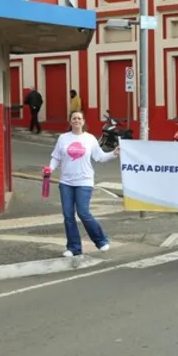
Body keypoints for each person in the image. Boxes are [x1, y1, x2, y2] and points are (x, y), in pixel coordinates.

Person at [48, 110, 119, 257]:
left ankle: (101, 240)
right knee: (68, 215)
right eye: (74, 118)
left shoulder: (90, 139)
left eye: (79, 118)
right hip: (66, 182)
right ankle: (74, 248)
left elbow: (100, 157)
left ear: (83, 121)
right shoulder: (63, 138)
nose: (76, 121)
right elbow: (56, 157)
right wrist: (50, 168)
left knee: (83, 213)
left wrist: (114, 153)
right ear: (70, 121)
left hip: (84, 181)